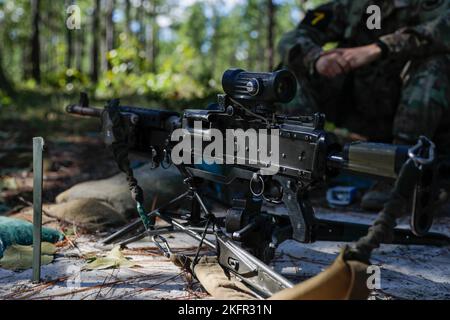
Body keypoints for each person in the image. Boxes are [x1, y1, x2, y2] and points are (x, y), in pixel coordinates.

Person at [277, 0, 450, 210]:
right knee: (290, 71)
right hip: (363, 106)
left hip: (422, 119)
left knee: (435, 64)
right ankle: (308, 169)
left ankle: (400, 175)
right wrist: (317, 59)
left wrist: (378, 48)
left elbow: (442, 29)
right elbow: (295, 36)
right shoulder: (357, 6)